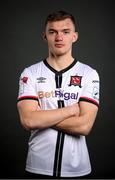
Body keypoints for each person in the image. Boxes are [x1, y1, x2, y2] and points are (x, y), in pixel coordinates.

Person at [17, 10, 100, 179]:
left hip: (77, 170)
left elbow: (84, 126)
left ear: (74, 37)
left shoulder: (89, 74)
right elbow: (28, 121)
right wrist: (70, 110)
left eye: (65, 32)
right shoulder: (30, 73)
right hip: (37, 167)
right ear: (44, 36)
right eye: (52, 32)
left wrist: (41, 117)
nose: (59, 37)